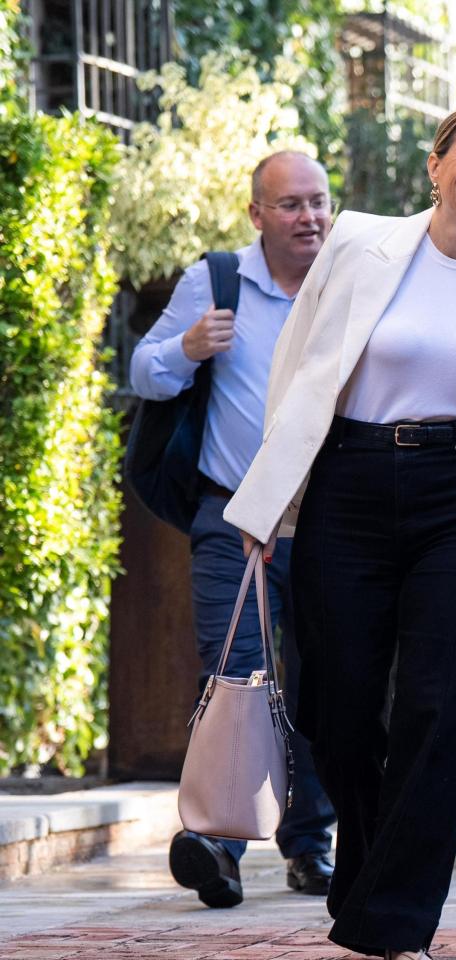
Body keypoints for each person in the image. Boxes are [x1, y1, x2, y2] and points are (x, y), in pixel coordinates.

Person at [223, 103, 456, 960]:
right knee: (338, 706)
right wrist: (275, 496)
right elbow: (298, 367)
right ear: (436, 164)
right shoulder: (359, 243)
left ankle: (392, 921)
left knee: (440, 708)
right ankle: (368, 874)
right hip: (348, 484)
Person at [131, 151, 339, 908]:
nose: (309, 218)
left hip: (328, 519)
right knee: (234, 677)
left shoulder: (348, 283)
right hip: (234, 516)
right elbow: (143, 369)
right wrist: (187, 351)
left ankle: (309, 846)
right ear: (257, 215)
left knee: (322, 683)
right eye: (290, 205)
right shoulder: (214, 282)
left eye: (318, 201)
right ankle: (217, 842)